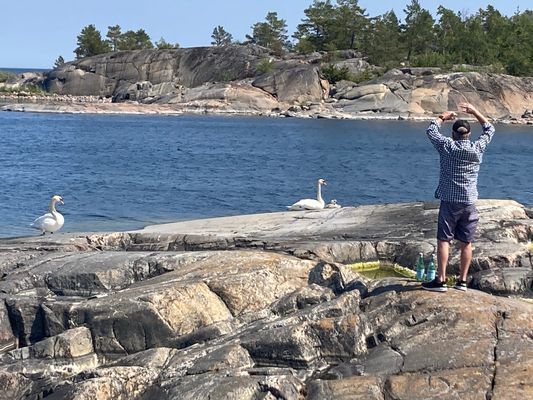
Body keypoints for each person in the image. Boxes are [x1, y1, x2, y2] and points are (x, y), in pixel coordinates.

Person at [422, 102, 495, 292]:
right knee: (466, 242)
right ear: (468, 135)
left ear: (454, 134)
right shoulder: (477, 148)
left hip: (449, 201)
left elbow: (431, 131)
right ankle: (462, 281)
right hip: (469, 201)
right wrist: (475, 110)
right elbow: (489, 129)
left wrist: (442, 117)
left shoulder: (447, 146)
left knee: (444, 240)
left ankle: (441, 280)